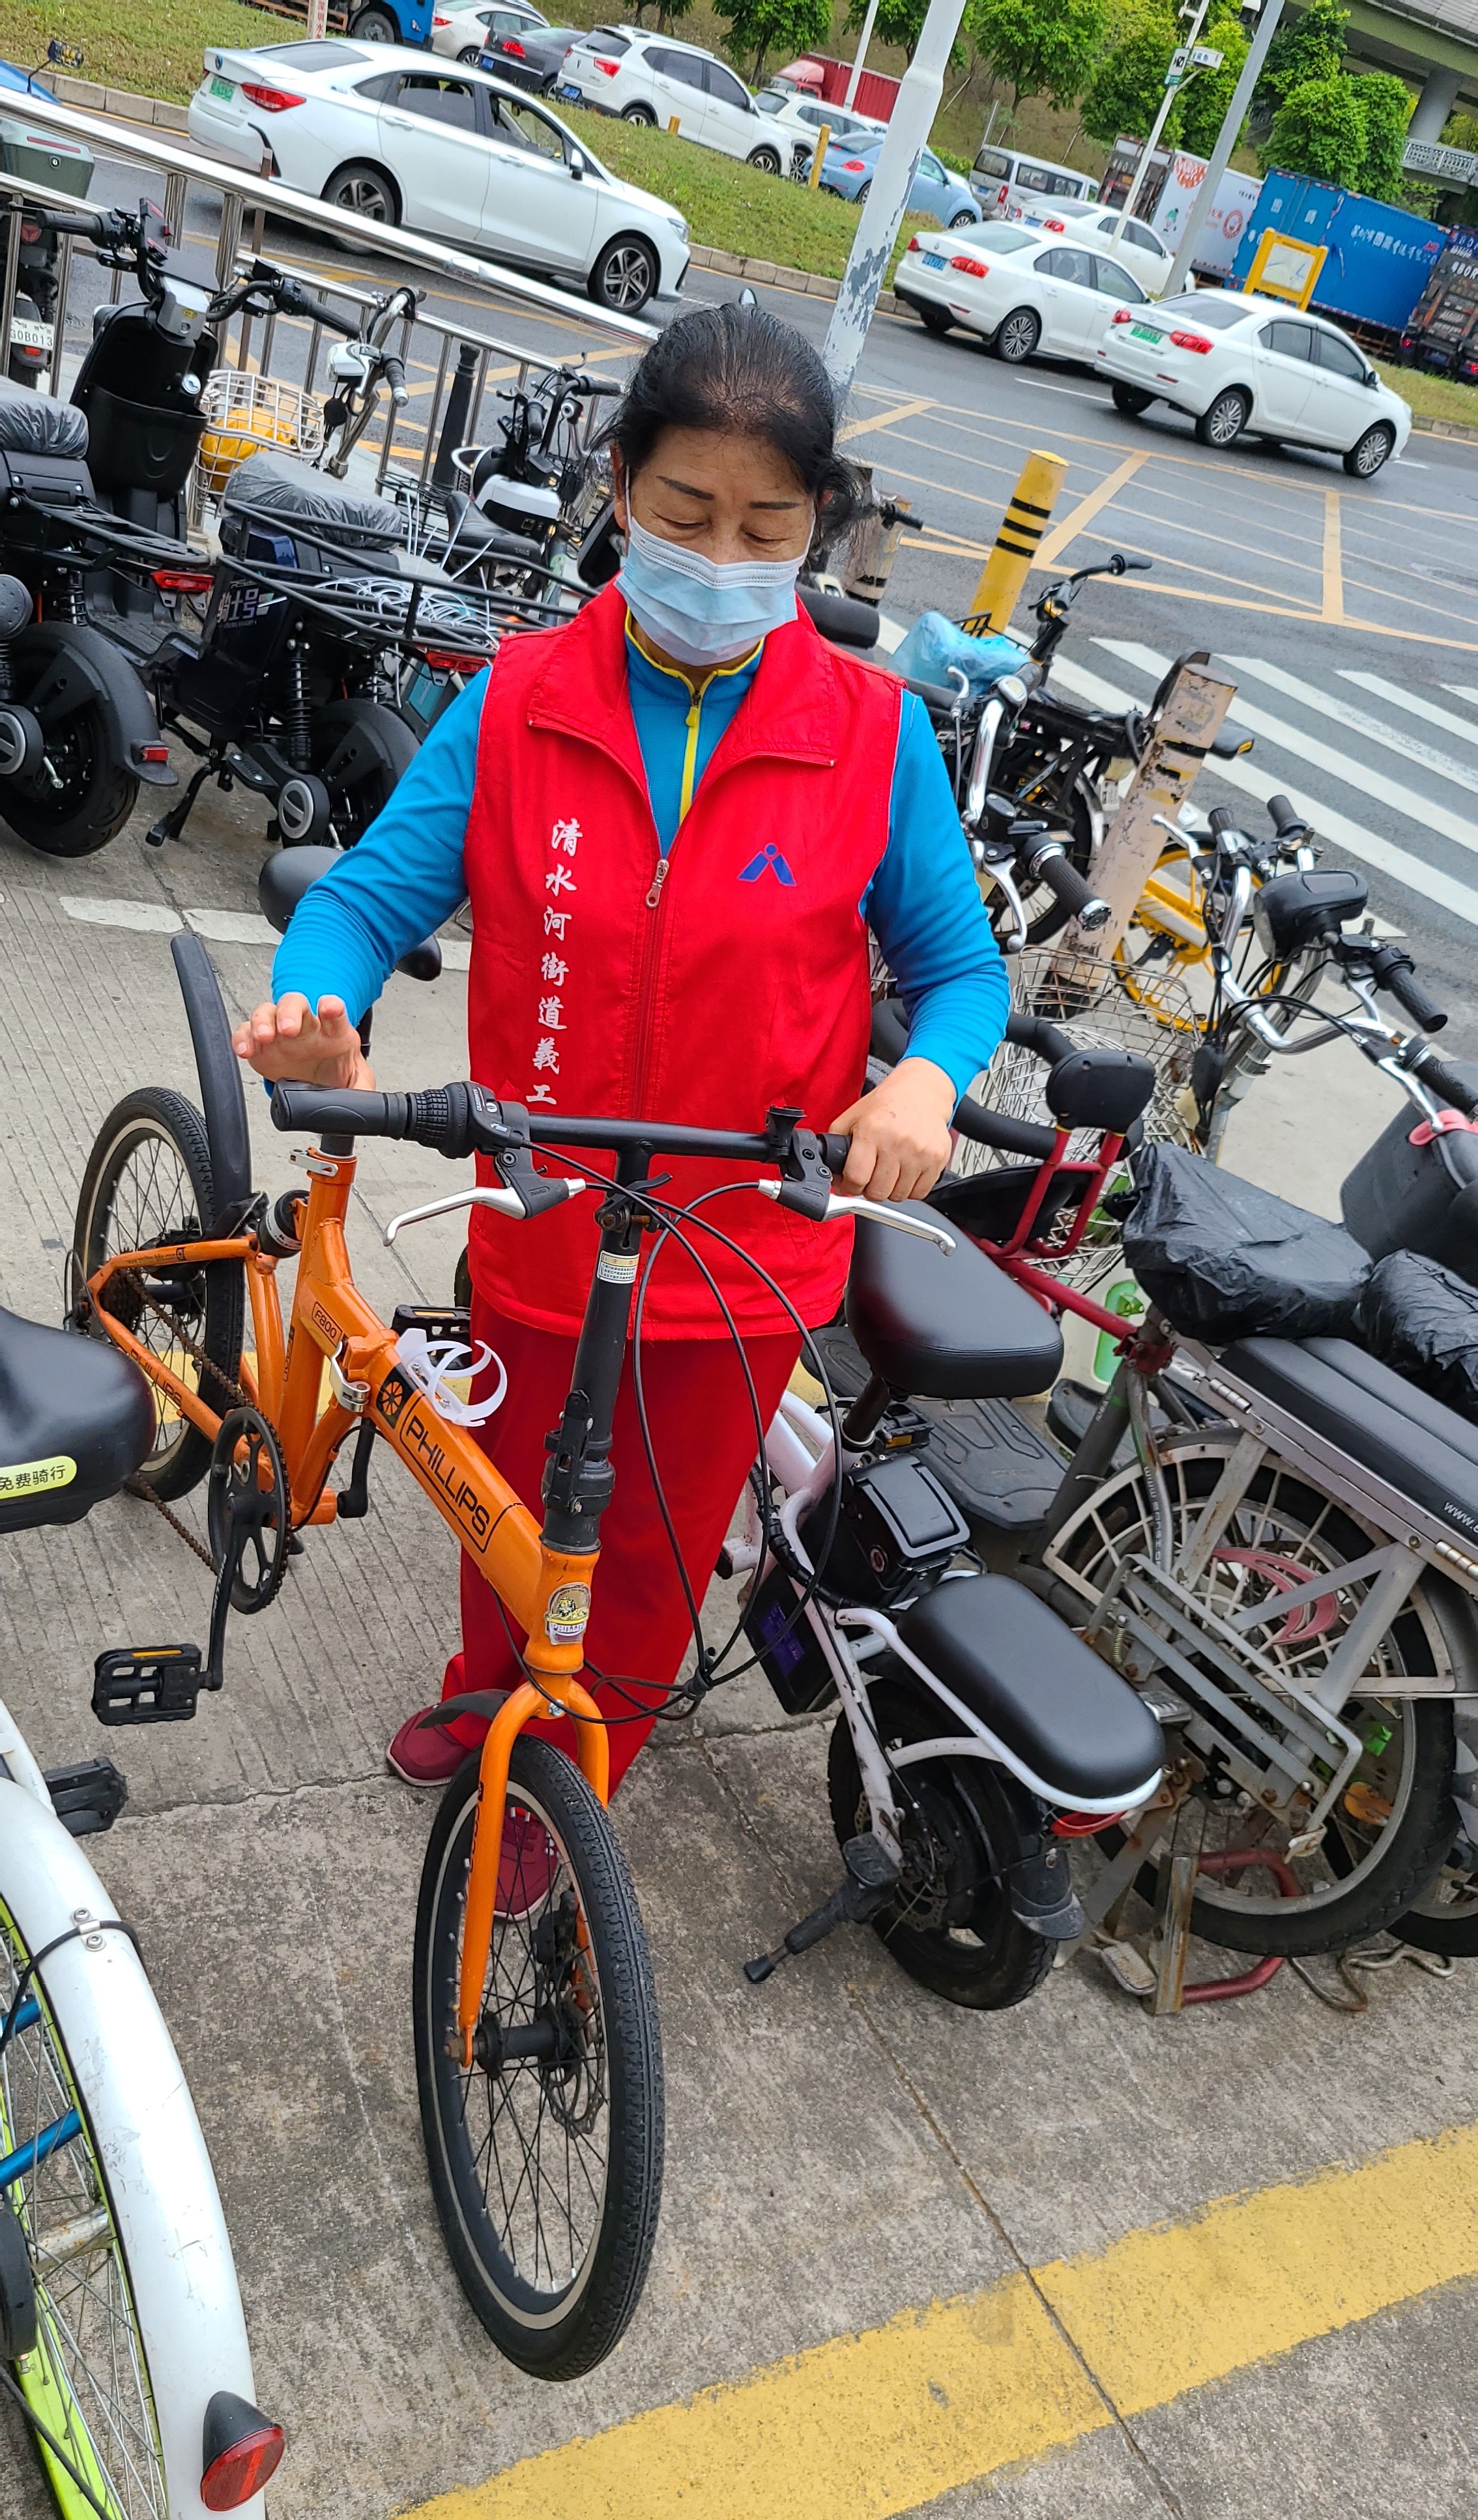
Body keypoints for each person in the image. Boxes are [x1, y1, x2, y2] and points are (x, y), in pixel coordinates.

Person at [233, 300, 1009, 1790]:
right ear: (620, 490)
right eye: (684, 513)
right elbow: (363, 904)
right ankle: (486, 1703)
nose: (719, 560)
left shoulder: (873, 736)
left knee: (645, 1563)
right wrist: (316, 1010)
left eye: (764, 528)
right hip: (539, 1217)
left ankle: (574, 1782)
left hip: (745, 1250)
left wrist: (925, 1078)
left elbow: (960, 973)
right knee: (506, 1511)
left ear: (819, 522)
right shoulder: (518, 702)